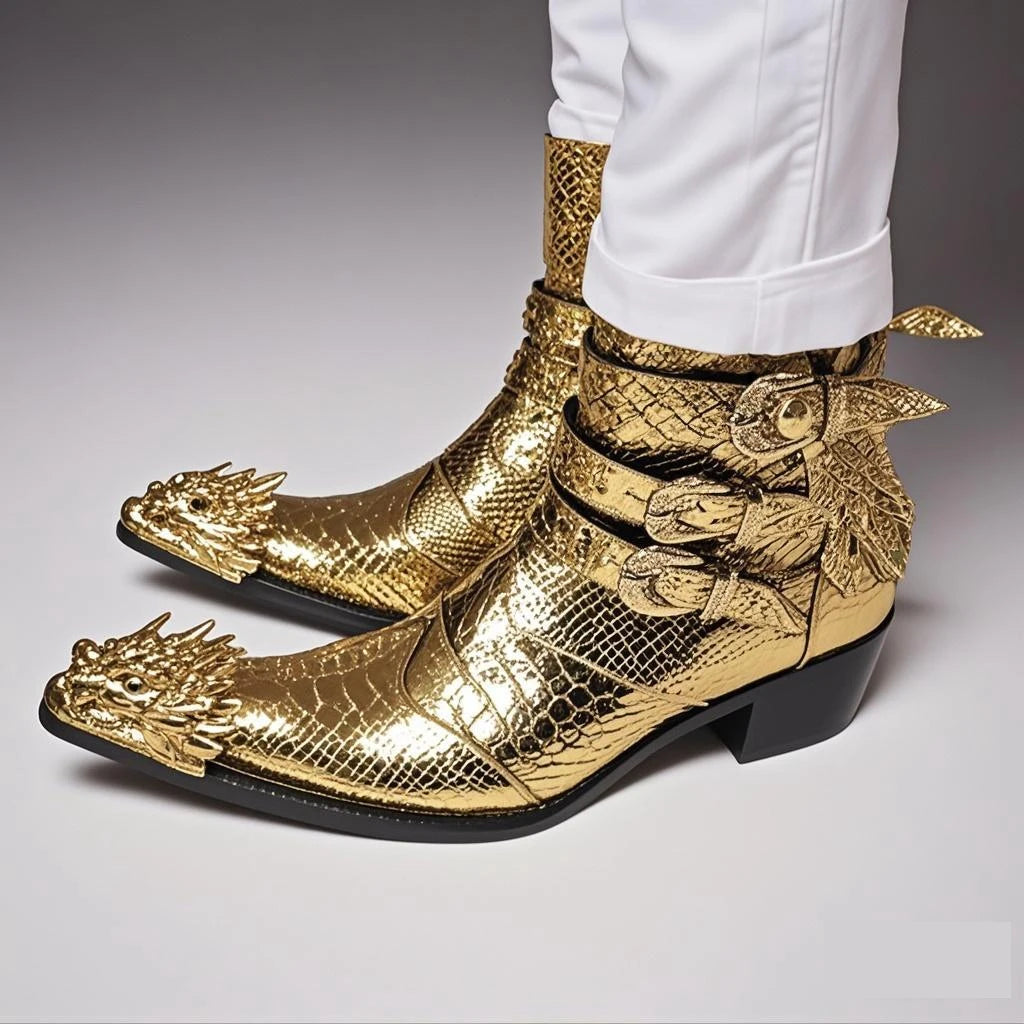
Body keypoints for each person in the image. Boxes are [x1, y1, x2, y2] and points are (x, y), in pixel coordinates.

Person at [40, 1, 979, 841]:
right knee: (643, 31)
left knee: (741, 30)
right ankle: (587, 435)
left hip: (737, 536)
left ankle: (731, 549)